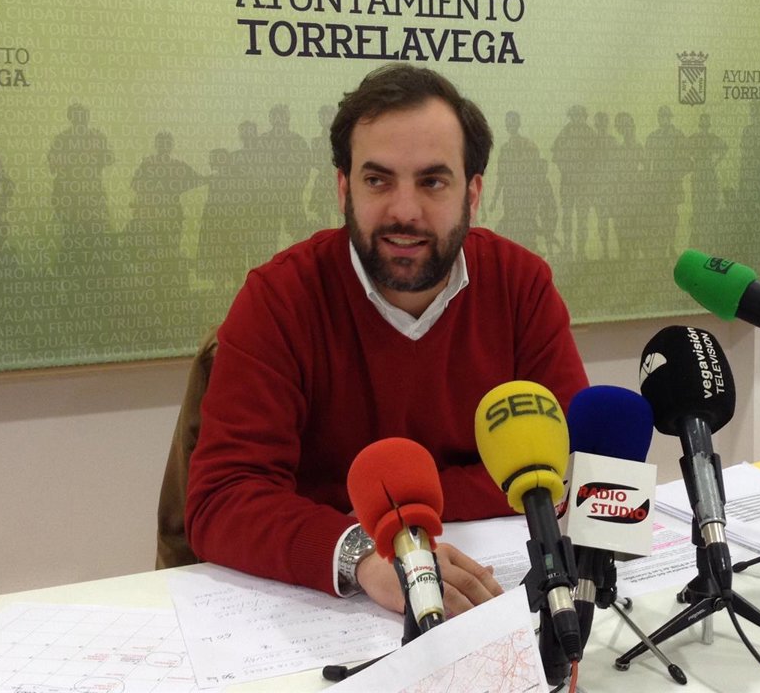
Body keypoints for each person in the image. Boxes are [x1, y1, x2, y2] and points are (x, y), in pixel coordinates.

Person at [185, 64, 589, 620]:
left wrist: (393, 507)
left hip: (497, 594)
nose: (403, 211)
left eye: (432, 182)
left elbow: (566, 465)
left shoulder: (521, 286)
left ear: (473, 194)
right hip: (333, 613)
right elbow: (222, 498)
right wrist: (366, 553)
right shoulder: (279, 299)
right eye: (378, 181)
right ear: (343, 189)